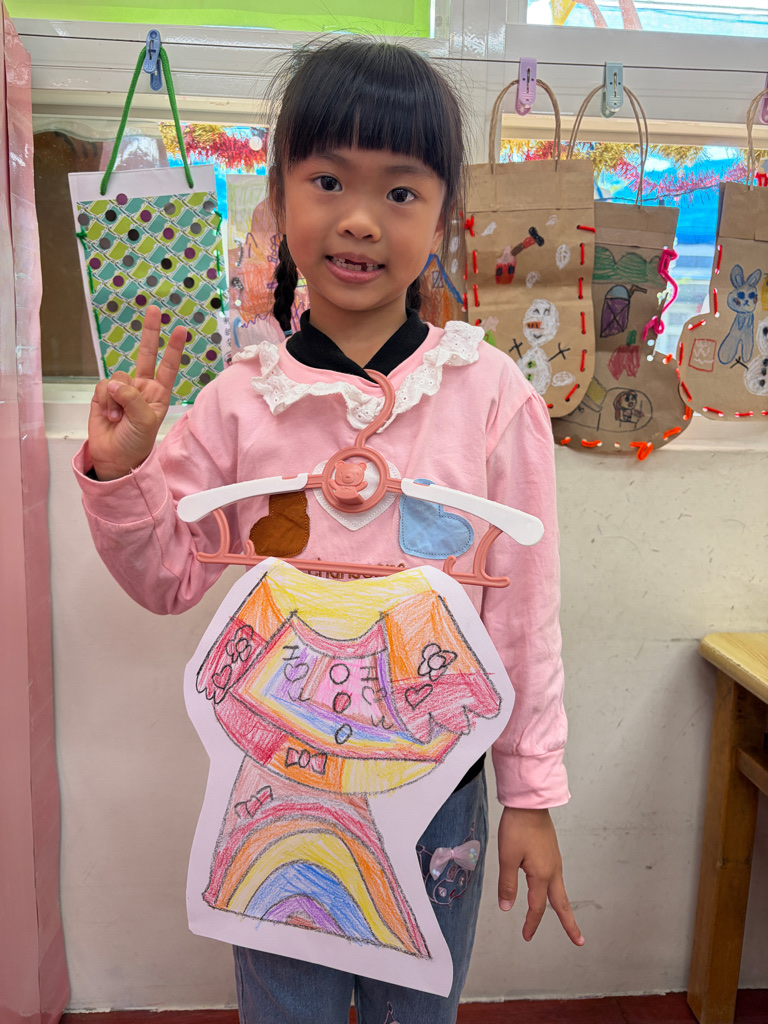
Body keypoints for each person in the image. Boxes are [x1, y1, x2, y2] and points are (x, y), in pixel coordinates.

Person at [74, 37, 583, 1024]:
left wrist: (529, 791)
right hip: (277, 780)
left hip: (440, 789)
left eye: (400, 191)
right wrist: (123, 471)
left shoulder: (491, 395)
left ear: (444, 216)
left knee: (414, 1013)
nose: (359, 218)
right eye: (328, 180)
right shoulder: (238, 399)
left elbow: (525, 616)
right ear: (278, 199)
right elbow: (168, 576)